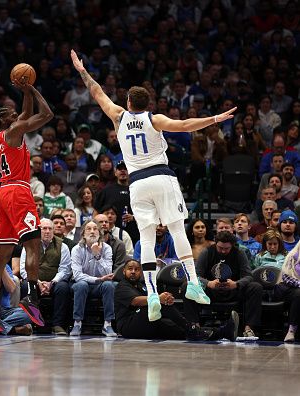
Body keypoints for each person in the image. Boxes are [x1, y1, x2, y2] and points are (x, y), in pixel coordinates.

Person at [72, 49, 236, 321]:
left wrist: (81, 69)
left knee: (146, 238)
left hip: (137, 183)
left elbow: (97, 91)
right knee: (175, 229)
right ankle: (194, 283)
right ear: (148, 103)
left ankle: (150, 295)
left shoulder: (118, 116)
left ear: (127, 101)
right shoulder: (154, 119)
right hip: (161, 177)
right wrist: (215, 119)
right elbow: (184, 125)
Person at [0, 78, 54, 332]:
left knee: (2, 254)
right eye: (13, 114)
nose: (19, 115)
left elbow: (26, 112)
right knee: (33, 245)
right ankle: (31, 297)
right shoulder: (14, 131)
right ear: (5, 120)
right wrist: (32, 87)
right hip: (18, 191)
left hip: (1, 194)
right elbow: (46, 114)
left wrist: (25, 90)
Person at [114, 259, 238, 341]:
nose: (133, 272)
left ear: (141, 272)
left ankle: (223, 332)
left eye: (137, 269)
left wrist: (166, 297)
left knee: (180, 331)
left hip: (147, 322)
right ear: (124, 271)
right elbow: (136, 301)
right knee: (158, 304)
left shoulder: (142, 286)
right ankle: (191, 328)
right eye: (130, 269)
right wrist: (160, 298)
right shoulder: (122, 286)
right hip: (128, 326)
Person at [184, 231, 263, 340]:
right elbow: (195, 276)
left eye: (227, 248)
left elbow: (248, 276)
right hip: (211, 291)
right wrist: (209, 283)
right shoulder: (206, 252)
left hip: (232, 290)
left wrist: (236, 284)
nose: (223, 251)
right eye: (220, 248)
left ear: (232, 246)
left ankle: (248, 329)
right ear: (215, 243)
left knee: (255, 287)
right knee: (187, 286)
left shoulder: (239, 253)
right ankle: (195, 327)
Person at [69, 220, 117, 337]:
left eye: (95, 229)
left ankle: (108, 324)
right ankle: (77, 323)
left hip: (100, 285)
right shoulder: (77, 249)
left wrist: (97, 255)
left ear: (100, 233)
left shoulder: (106, 248)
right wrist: (98, 279)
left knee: (109, 285)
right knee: (81, 285)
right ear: (83, 234)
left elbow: (108, 273)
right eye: (88, 229)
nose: (92, 232)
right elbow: (77, 275)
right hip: (81, 284)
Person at [275, 242, 300, 342]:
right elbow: (287, 277)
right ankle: (291, 331)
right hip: (286, 287)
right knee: (299, 293)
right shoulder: (292, 255)